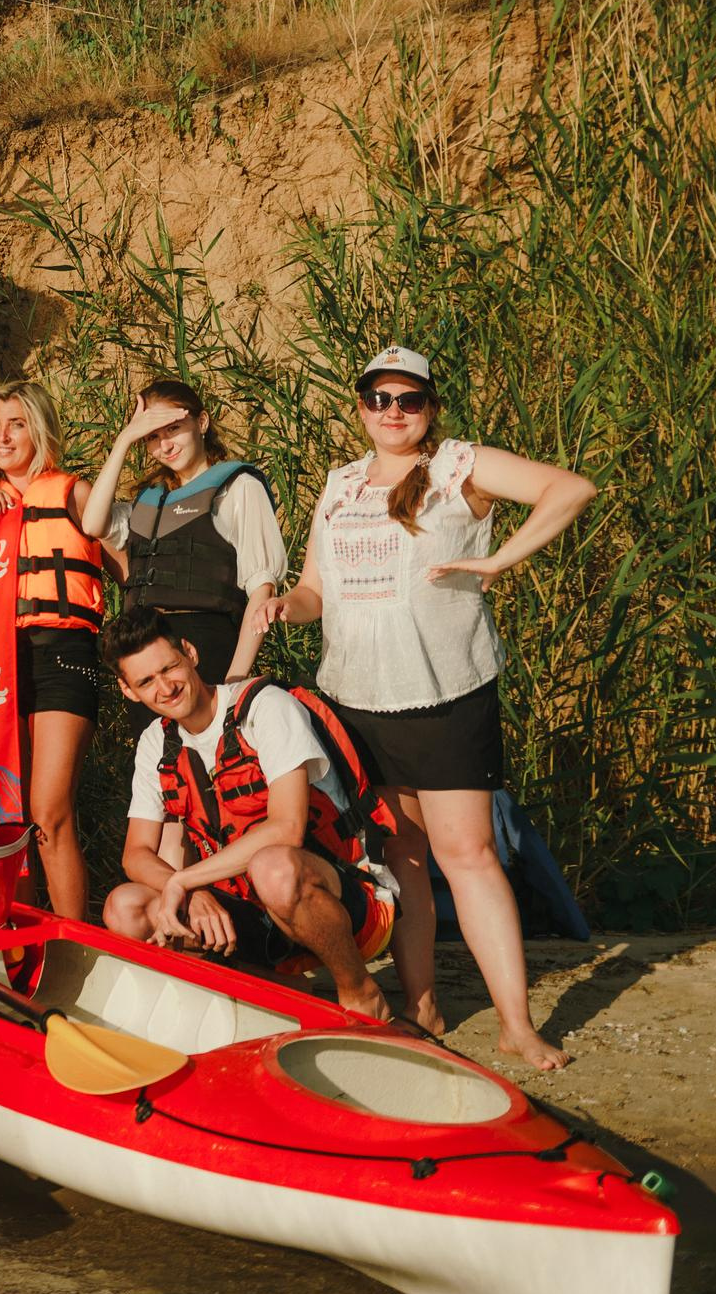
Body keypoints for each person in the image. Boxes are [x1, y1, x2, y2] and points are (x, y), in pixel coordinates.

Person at [247, 346, 594, 1070]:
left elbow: (572, 489)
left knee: (467, 855)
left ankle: (516, 1027)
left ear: (430, 407)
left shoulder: (458, 466)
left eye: (409, 399)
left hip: (445, 693)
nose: (394, 411)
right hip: (359, 701)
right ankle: (422, 1001)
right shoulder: (339, 485)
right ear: (362, 406)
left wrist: (500, 561)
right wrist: (286, 606)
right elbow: (317, 593)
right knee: (400, 852)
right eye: (379, 398)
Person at [98, 609, 396, 1020]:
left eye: (169, 668)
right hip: (247, 908)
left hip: (342, 900)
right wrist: (194, 892)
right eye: (146, 681)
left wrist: (184, 880)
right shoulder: (155, 744)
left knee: (273, 867)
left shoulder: (264, 708)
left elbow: (288, 829)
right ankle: (281, 990)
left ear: (190, 653)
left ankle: (360, 992)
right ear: (128, 691)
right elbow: (136, 854)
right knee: (124, 907)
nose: (165, 688)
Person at [0, 381, 104, 920]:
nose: (3, 435)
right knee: (8, 813)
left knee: (49, 809)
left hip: (64, 651)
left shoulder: (74, 493)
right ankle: (21, 934)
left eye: (16, 423)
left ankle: (74, 944)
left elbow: (131, 571)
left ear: (38, 428)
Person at [79, 379, 287, 721]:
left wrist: (235, 681)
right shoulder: (146, 503)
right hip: (144, 651)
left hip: (207, 650)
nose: (165, 445)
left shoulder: (237, 488)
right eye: (152, 436)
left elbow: (261, 590)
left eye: (173, 429)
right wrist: (123, 441)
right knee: (162, 767)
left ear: (201, 423)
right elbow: (93, 524)